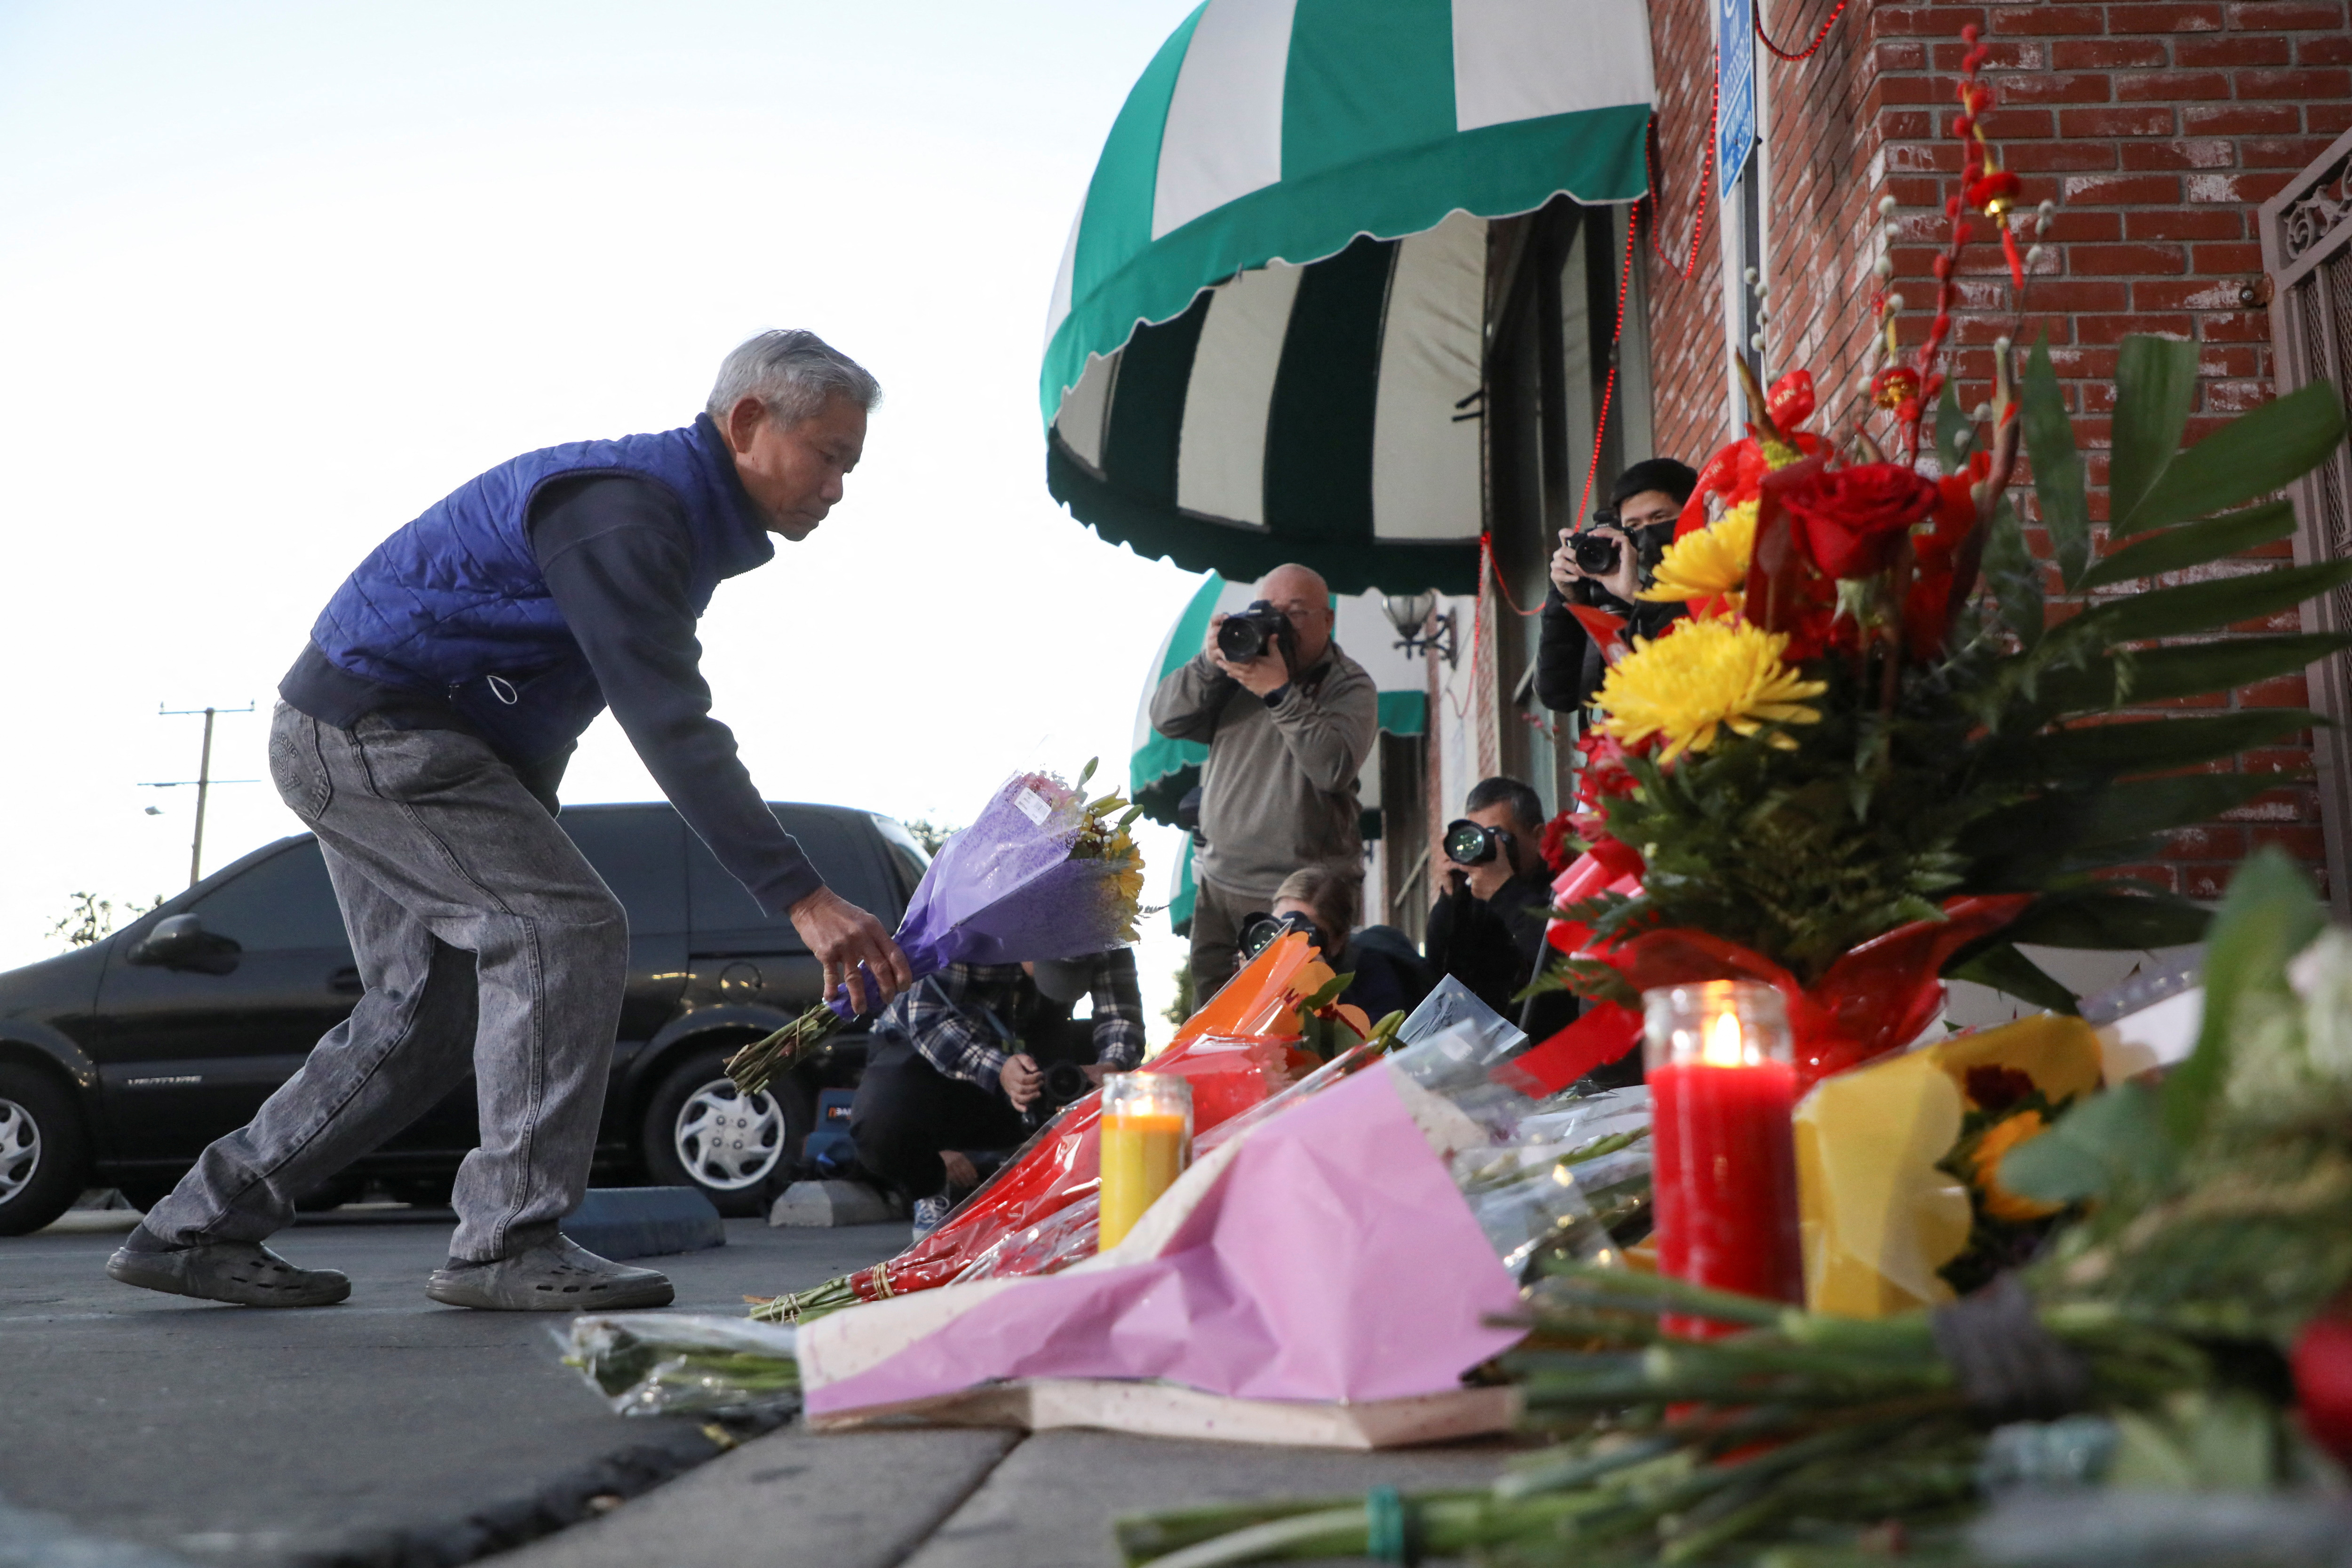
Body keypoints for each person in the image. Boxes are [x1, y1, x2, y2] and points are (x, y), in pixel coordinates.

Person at [108, 331, 914, 1313]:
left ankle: (192, 1225)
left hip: (377, 737)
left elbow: (544, 706)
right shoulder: (629, 510)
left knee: (421, 1021)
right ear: (747, 423)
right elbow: (668, 720)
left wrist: (523, 824)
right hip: (375, 732)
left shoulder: (669, 524)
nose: (836, 487)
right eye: (828, 456)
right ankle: (507, 1240)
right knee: (563, 927)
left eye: (848, 465)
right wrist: (802, 895)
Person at [1147, 564, 1379, 1002]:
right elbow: (1165, 718)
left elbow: (1332, 766)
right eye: (1268, 611)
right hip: (1221, 886)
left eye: (1295, 613)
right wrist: (1208, 662)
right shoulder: (1239, 667)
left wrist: (1280, 692)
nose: (1279, 626)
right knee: (1210, 1029)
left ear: (1328, 620)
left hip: (1303, 897)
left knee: (1301, 1022)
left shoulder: (1349, 685)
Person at [850, 951, 1146, 1236]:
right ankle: (933, 1182)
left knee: (1106, 1080)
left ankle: (1042, 1178)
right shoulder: (965, 922)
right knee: (883, 1125)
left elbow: (1121, 1017)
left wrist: (1111, 1070)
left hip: (1028, 1037)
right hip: (925, 1050)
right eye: (1054, 969)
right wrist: (1000, 1070)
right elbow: (927, 1018)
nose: (1064, 981)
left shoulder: (1109, 920)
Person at [1536, 458, 1700, 713]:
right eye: (1633, 526)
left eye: (1659, 517)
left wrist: (1637, 596)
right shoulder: (1615, 587)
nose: (1647, 533)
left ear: (1699, 511)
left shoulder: (1724, 570)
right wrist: (1568, 600)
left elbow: (1694, 659)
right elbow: (1560, 695)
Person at [1424, 777, 1577, 1041]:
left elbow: (1564, 955)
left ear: (1539, 836)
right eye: (1479, 837)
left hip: (1565, 1049)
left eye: (1498, 837)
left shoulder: (1567, 882)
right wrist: (1452, 899)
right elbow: (1441, 971)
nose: (1490, 849)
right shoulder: (1478, 898)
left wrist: (1504, 893)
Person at [1254, 865, 1430, 1025]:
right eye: (1280, 928)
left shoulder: (1374, 973)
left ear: (1338, 942)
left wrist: (1325, 989)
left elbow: (1371, 1049)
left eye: (1303, 933)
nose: (1288, 941)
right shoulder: (1266, 970)